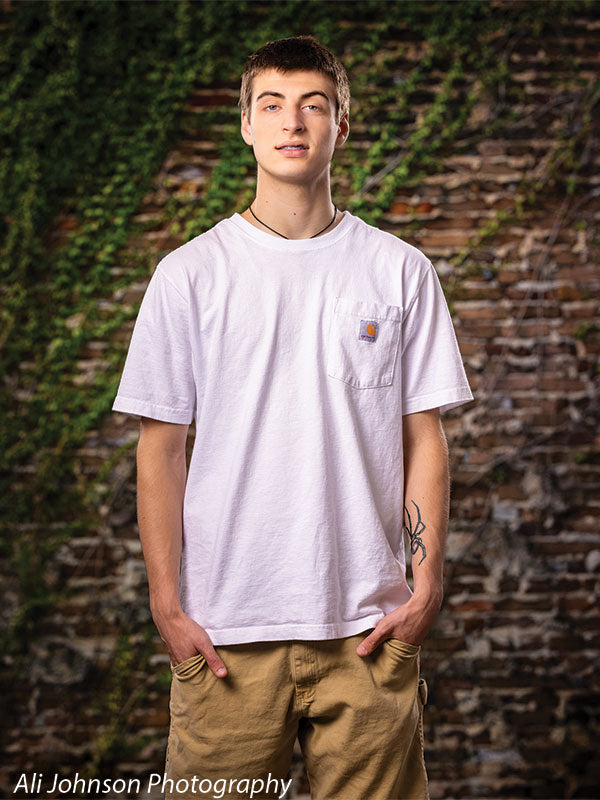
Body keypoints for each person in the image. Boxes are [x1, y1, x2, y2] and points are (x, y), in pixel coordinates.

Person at [112, 34, 473, 800]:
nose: (292, 123)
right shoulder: (189, 276)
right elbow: (161, 449)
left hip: (369, 636)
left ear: (342, 124)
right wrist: (167, 607)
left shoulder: (400, 270)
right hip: (224, 639)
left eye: (314, 105)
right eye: (271, 105)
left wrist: (426, 586)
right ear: (245, 125)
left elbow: (422, 438)